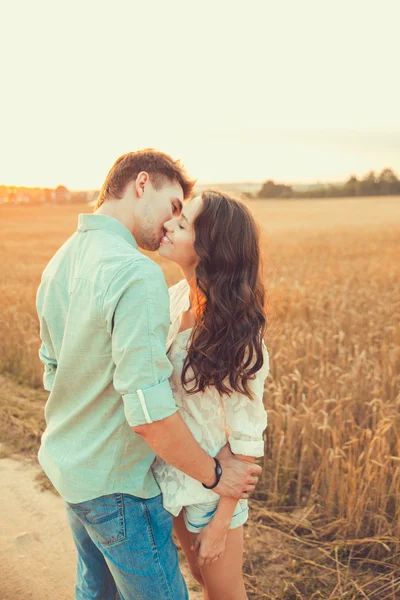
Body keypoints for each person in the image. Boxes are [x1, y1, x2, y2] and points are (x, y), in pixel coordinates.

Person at [36, 149, 262, 600]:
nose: (169, 224)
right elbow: (148, 414)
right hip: (120, 488)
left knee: (96, 592)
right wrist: (217, 476)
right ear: (142, 185)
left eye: (183, 218)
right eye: (174, 207)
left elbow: (52, 369)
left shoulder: (61, 261)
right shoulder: (138, 275)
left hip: (73, 473)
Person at [152, 190, 269, 600]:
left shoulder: (237, 333)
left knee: (224, 593)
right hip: (174, 479)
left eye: (181, 224)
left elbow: (248, 435)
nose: (168, 224)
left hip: (212, 495)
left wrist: (220, 524)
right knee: (202, 582)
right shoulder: (172, 299)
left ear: (209, 249)